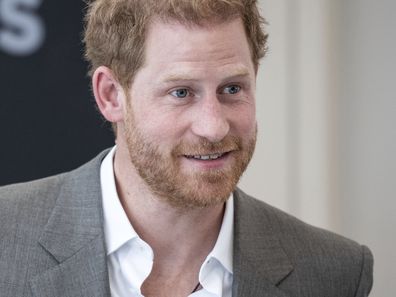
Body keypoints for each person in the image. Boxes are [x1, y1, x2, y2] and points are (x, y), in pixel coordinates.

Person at [0, 0, 373, 296]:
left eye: (232, 89)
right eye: (181, 93)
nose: (213, 126)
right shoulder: (6, 238)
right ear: (111, 95)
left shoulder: (334, 272)